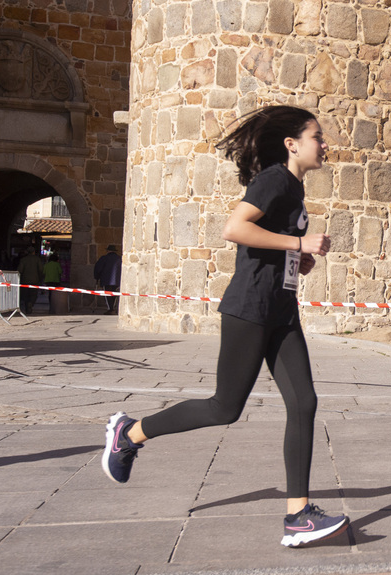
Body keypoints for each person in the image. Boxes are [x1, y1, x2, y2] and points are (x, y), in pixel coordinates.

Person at [101, 105, 349, 548]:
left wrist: (298, 258)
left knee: (305, 402)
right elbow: (234, 228)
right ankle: (129, 433)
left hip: (280, 309)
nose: (324, 144)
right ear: (292, 144)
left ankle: (298, 516)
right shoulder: (274, 178)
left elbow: (267, 243)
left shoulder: (293, 187)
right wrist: (297, 241)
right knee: (224, 408)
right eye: (317, 136)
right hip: (250, 308)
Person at [94, 244, 123, 313]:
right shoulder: (119, 259)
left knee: (108, 294)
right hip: (117, 280)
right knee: (115, 294)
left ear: (107, 251)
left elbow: (98, 269)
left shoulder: (104, 258)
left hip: (106, 280)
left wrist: (96, 278)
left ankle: (111, 308)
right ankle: (113, 307)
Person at [17, 246, 43, 315]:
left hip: (25, 280)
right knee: (33, 295)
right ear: (34, 252)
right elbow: (40, 270)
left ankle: (27, 306)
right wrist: (40, 278)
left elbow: (20, 270)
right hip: (35, 280)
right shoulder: (37, 259)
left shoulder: (23, 260)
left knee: (25, 295)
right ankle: (31, 304)